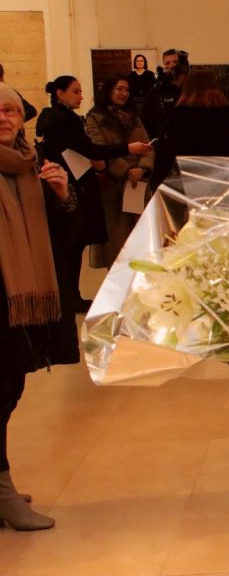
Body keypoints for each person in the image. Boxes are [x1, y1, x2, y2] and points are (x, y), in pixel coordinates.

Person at [0, 83, 80, 531]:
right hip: (2, 301)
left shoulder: (34, 163)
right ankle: (3, 493)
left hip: (23, 306)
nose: (3, 118)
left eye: (10, 110)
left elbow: (64, 241)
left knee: (9, 392)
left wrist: (62, 195)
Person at [35, 75, 151, 312]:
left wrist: (142, 165)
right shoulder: (63, 121)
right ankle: (71, 297)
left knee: (78, 244)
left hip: (87, 183)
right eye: (75, 91)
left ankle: (74, 295)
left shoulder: (66, 118)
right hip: (74, 188)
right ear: (60, 94)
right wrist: (127, 154)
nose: (80, 96)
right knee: (75, 243)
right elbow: (91, 149)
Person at [84, 75, 153, 268]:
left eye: (127, 90)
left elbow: (148, 146)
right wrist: (127, 170)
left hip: (138, 184)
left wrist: (142, 168)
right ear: (109, 91)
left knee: (141, 244)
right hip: (113, 187)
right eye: (119, 89)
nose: (124, 93)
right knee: (117, 247)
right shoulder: (95, 118)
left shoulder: (134, 117)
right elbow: (99, 150)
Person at [151, 69, 229, 186]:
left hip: (186, 180)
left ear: (187, 87)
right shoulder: (227, 113)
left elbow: (167, 153)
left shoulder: (179, 114)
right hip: (219, 180)